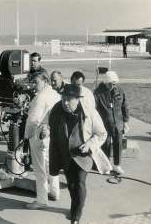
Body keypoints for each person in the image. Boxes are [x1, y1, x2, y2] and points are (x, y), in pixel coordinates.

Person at [49, 84, 108, 224]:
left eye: (69, 99)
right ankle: (75, 206)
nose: (65, 102)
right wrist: (44, 128)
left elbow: (101, 133)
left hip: (83, 156)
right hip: (65, 155)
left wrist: (90, 144)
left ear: (78, 99)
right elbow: (50, 127)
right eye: (63, 98)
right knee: (71, 185)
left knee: (79, 183)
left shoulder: (89, 112)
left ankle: (76, 217)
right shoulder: (57, 110)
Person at [25, 71, 61, 209]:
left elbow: (33, 120)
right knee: (51, 164)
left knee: (39, 168)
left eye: (36, 82)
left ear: (45, 81)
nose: (34, 85)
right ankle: (55, 192)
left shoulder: (40, 97)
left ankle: (41, 200)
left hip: (39, 134)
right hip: (52, 133)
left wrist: (26, 136)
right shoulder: (55, 94)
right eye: (33, 82)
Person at [94, 71, 129, 174]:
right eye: (110, 84)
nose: (113, 86)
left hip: (118, 123)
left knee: (118, 144)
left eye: (114, 84)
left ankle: (117, 165)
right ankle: (106, 165)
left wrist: (126, 121)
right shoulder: (97, 93)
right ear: (105, 82)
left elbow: (124, 106)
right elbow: (94, 110)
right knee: (106, 145)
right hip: (104, 124)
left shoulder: (120, 90)